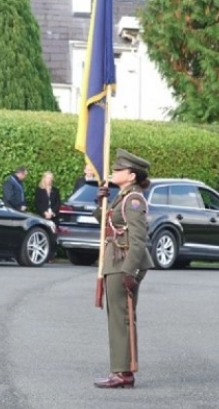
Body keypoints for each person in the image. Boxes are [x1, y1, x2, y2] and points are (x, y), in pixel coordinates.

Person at [92, 149, 154, 389]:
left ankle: (123, 373)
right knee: (117, 317)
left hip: (124, 261)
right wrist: (101, 202)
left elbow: (139, 239)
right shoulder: (122, 196)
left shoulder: (133, 199)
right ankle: (120, 370)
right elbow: (106, 225)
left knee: (122, 318)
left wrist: (130, 272)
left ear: (130, 176)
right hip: (116, 260)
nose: (113, 172)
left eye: (118, 169)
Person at [34, 171, 62, 262]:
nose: (49, 180)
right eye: (47, 178)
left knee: (53, 236)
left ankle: (51, 256)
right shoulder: (39, 190)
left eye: (50, 178)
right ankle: (41, 255)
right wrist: (44, 213)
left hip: (53, 216)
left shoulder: (55, 190)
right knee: (43, 235)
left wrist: (53, 212)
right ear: (44, 178)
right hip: (43, 216)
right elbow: (37, 203)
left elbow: (58, 203)